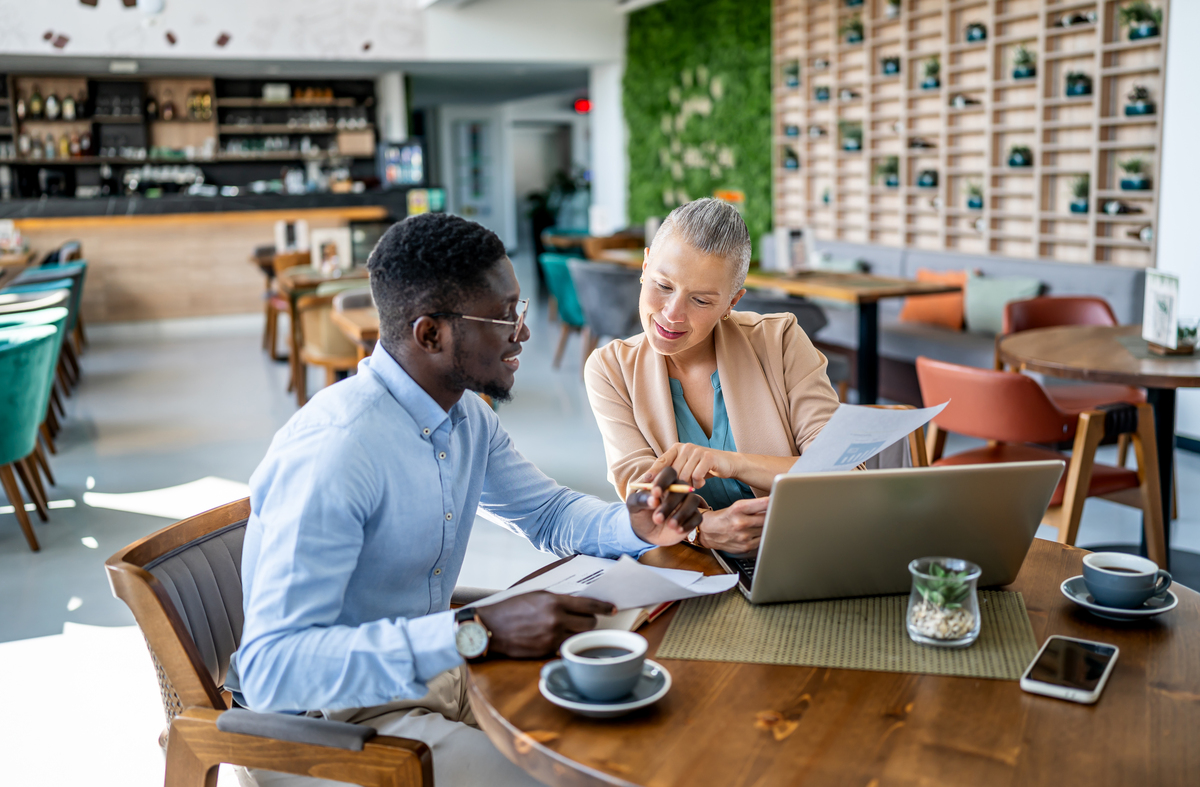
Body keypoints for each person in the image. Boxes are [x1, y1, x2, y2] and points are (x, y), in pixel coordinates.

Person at [228, 213, 703, 787]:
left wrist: (636, 525)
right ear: (431, 334)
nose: (523, 333)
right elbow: (274, 670)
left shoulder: (466, 415)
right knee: (576, 778)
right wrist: (475, 631)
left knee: (630, 745)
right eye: (505, 317)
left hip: (429, 673)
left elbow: (546, 513)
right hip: (329, 723)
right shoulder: (336, 451)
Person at [584, 198, 841, 556]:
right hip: (688, 561)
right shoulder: (610, 369)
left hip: (799, 551)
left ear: (732, 302)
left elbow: (839, 471)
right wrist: (701, 530)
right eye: (663, 285)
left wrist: (732, 463)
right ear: (645, 265)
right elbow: (641, 491)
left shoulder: (780, 340)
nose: (672, 314)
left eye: (701, 301)